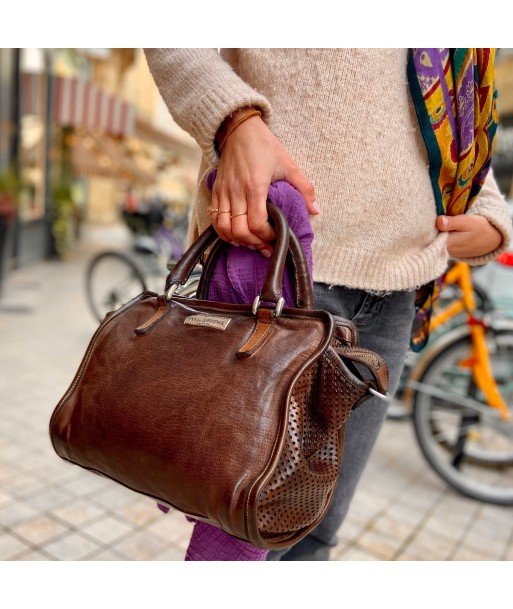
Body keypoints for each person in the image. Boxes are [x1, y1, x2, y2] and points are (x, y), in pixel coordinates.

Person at [144, 48, 512, 561]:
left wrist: (492, 215)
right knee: (244, 533)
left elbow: (457, 113)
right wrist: (234, 119)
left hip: (398, 289)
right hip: (277, 262)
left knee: (313, 534)